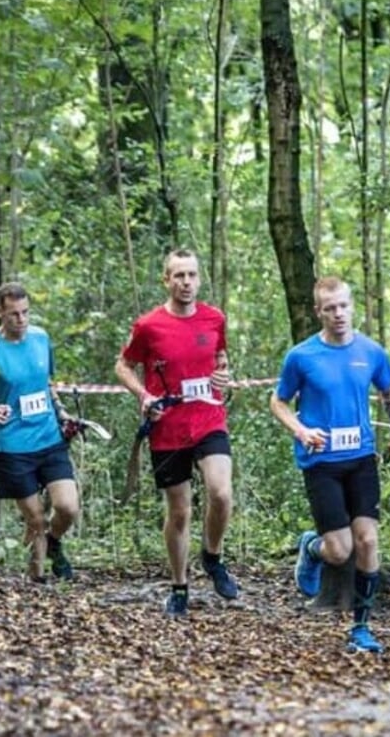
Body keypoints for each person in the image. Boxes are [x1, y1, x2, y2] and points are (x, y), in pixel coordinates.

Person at [269, 276, 390, 654]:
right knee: (340, 550)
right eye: (329, 308)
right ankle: (311, 548)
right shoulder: (301, 357)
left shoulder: (371, 351)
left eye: (343, 306)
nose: (338, 314)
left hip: (362, 458)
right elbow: (278, 401)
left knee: (368, 540)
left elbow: (388, 389)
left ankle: (361, 627)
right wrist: (300, 430)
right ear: (319, 312)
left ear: (352, 306)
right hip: (321, 463)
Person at [114, 248, 238, 618]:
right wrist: (143, 393)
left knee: (221, 491)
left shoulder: (215, 319)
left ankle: (212, 557)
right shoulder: (149, 325)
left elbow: (221, 360)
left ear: (199, 279)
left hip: (208, 419)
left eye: (192, 275)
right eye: (179, 276)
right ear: (166, 280)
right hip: (167, 425)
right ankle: (179, 587)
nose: (186, 282)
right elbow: (123, 366)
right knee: (180, 511)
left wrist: (223, 374)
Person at [0, 281, 80, 583]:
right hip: (13, 445)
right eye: (14, 315)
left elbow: (47, 382)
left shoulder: (40, 338)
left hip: (49, 438)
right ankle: (36, 582)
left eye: (25, 313)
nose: (21, 320)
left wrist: (61, 412)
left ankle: (54, 542)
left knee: (68, 507)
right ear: (0, 312)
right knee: (35, 519)